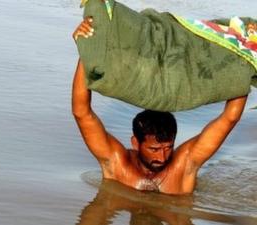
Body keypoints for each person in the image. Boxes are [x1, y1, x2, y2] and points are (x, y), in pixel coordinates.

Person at [72, 18, 248, 194]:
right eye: (154, 149)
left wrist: (246, 59)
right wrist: (87, 51)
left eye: (168, 147)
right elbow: (81, 112)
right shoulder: (116, 163)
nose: (162, 157)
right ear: (135, 142)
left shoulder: (184, 164)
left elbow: (230, 118)